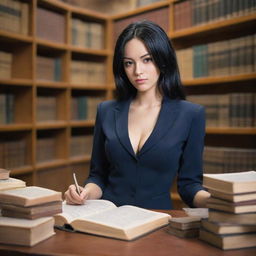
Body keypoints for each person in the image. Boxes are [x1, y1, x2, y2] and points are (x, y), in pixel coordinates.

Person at [65, 20, 210, 209]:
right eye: (128, 63)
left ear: (163, 59)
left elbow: (189, 185)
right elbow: (98, 176)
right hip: (108, 217)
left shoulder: (191, 115)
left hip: (157, 221)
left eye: (147, 59)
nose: (137, 71)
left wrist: (215, 202)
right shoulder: (106, 111)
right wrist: (84, 193)